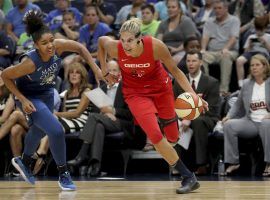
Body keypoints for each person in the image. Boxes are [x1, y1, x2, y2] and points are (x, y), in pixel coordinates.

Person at [98, 18, 208, 194]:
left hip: (161, 90)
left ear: (139, 38)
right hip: (135, 94)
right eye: (123, 40)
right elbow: (101, 42)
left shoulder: (156, 46)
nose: (126, 45)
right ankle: (188, 177)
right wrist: (103, 69)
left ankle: (167, 126)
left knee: (172, 138)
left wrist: (195, 95)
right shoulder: (115, 47)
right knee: (155, 135)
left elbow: (177, 72)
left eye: (130, 40)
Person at [1, 10, 103, 190]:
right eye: (44, 43)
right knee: (56, 130)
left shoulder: (59, 46)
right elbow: (5, 75)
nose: (50, 46)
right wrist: (22, 100)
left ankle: (23, 160)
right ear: (35, 45)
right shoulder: (29, 63)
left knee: (39, 131)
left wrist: (95, 68)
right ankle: (64, 174)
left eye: (51, 40)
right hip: (30, 97)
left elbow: (80, 48)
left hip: (47, 93)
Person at [67, 60, 133, 177]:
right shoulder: (101, 89)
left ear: (119, 73)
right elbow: (95, 111)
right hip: (103, 121)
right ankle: (95, 165)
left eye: (114, 70)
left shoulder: (126, 88)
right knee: (98, 126)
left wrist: (113, 111)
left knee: (93, 118)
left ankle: (81, 155)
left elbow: (130, 114)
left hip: (121, 123)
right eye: (109, 70)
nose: (112, 73)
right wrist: (104, 115)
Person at [173, 50, 220, 175]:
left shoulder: (211, 82)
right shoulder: (179, 82)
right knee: (174, 122)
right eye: (188, 61)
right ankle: (177, 164)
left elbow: (212, 110)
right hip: (184, 118)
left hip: (207, 118)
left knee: (198, 122)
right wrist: (184, 118)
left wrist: (190, 117)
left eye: (194, 61)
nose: (190, 64)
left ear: (201, 62)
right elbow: (174, 105)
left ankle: (202, 164)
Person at [222, 54, 270, 176]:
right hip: (251, 121)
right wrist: (229, 116)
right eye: (252, 65)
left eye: (257, 65)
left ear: (265, 67)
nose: (254, 68)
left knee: (266, 123)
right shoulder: (247, 84)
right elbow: (238, 104)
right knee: (229, 125)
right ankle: (233, 162)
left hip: (267, 121)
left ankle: (269, 163)